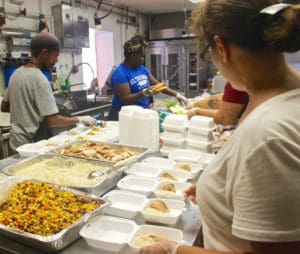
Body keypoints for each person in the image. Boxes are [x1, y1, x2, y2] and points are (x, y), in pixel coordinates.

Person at [139, 1, 300, 254]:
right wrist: (216, 190)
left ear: (222, 48)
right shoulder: (277, 100)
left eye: (207, 53)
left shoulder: (268, 135)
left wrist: (175, 250)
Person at [1, 32, 96, 151]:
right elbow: (52, 120)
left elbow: (4, 107)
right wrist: (80, 119)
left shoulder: (16, 74)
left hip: (16, 144)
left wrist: (25, 111)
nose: (56, 60)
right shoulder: (40, 79)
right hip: (32, 146)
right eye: (55, 56)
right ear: (44, 53)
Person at [108, 34, 188, 120]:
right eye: (141, 56)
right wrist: (144, 93)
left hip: (141, 114)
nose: (143, 59)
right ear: (132, 55)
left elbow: (158, 85)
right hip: (124, 117)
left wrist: (177, 95)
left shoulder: (141, 69)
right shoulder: (120, 73)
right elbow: (126, 99)